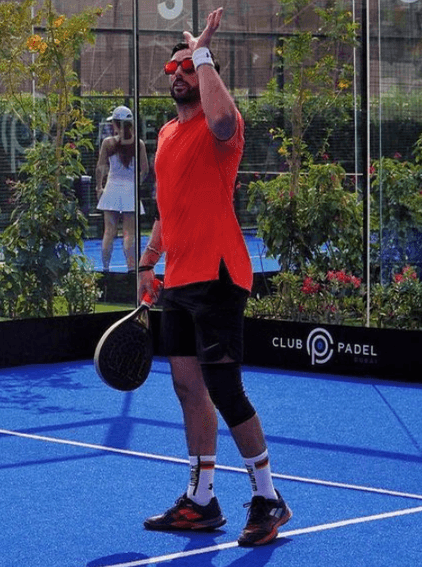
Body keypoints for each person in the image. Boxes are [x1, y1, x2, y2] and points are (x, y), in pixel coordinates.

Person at [136, 8, 292, 547]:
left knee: (224, 385)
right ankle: (202, 501)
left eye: (187, 67)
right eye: (172, 68)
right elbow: (168, 210)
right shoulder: (165, 136)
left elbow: (225, 120)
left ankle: (269, 497)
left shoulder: (221, 125)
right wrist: (146, 264)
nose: (177, 74)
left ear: (204, 74)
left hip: (221, 274)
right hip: (177, 278)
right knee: (187, 387)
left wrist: (202, 53)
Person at [95, 105, 149, 273]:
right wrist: (136, 183)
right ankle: (132, 271)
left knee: (109, 232)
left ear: (116, 124)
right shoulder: (139, 143)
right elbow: (145, 170)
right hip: (129, 193)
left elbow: (100, 167)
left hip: (111, 190)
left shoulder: (107, 143)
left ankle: (105, 270)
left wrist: (99, 187)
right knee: (129, 234)